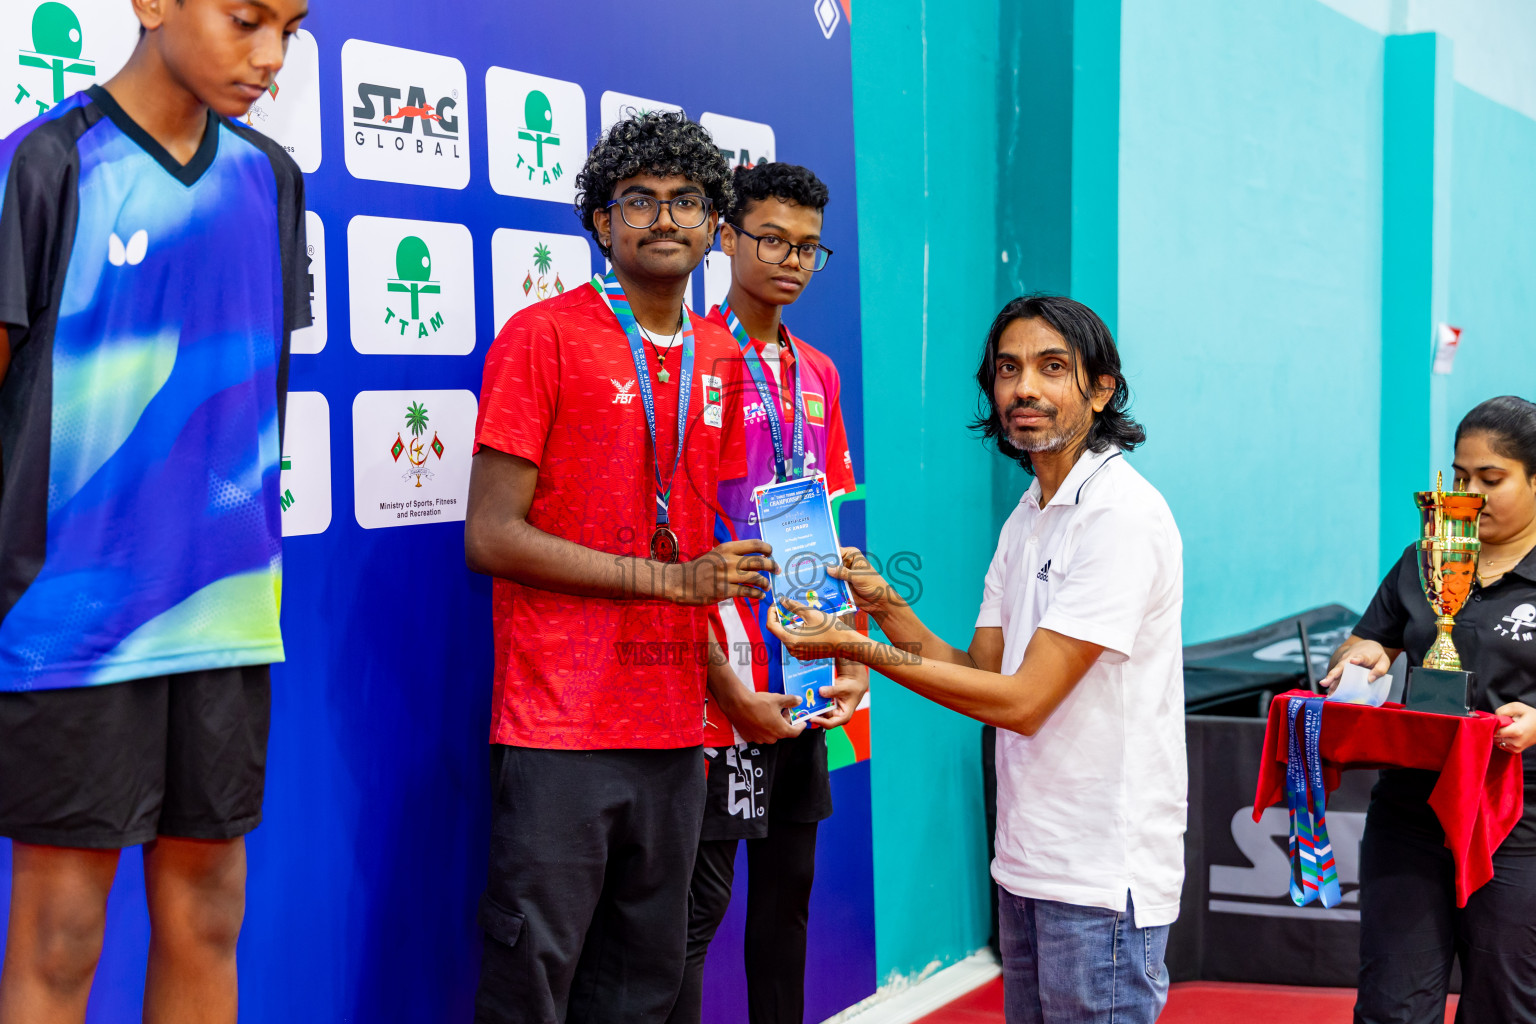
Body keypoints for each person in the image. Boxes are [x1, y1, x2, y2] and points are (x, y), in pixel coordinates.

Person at [0, 0, 311, 1020]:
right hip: (70, 623)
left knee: (210, 909)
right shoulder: (44, 164)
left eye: (291, 30)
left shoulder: (270, 179)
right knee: (61, 929)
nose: (269, 56)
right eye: (246, 19)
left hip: (223, 614)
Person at [770, 296, 1186, 1024]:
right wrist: (884, 607)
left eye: (1051, 368)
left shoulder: (1120, 515)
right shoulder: (1028, 515)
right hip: (1027, 864)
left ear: (1101, 387)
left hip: (1099, 879)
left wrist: (853, 647)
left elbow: (1022, 704)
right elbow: (983, 673)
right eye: (1007, 369)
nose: (1024, 387)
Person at [464, 112, 773, 1024]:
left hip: (674, 726)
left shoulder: (725, 355)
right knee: (534, 980)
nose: (663, 219)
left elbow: (714, 545)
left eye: (687, 201)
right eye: (637, 201)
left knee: (644, 986)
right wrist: (666, 583)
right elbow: (492, 535)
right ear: (601, 223)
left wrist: (735, 682)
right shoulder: (544, 337)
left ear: (716, 226)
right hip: (558, 725)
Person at [666, 162, 868, 1024]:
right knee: (692, 913)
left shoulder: (818, 372)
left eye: (808, 249)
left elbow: (832, 510)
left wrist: (851, 643)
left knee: (788, 896)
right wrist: (721, 676)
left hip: (806, 666)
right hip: (720, 678)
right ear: (726, 236)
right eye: (772, 240)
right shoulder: (695, 358)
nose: (790, 260)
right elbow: (670, 527)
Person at [1321, 395, 1536, 1024]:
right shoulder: (1423, 560)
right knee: (1393, 1004)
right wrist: (1360, 654)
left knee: (1507, 1005)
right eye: (1460, 475)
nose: (1469, 494)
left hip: (1518, 823)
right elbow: (1372, 638)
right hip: (1412, 815)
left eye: (1491, 480)